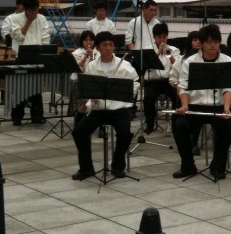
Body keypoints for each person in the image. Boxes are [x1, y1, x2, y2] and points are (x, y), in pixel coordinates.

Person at [71, 31, 140, 181]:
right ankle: (86, 168)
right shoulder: (92, 66)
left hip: (119, 109)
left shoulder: (125, 66)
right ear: (98, 47)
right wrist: (92, 96)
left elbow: (135, 83)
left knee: (124, 133)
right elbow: (86, 86)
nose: (108, 48)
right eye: (104, 45)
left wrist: (125, 97)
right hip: (98, 109)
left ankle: (117, 165)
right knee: (79, 132)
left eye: (111, 45)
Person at [172, 24, 231, 179]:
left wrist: (227, 109)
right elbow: (184, 87)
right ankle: (188, 166)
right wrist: (185, 106)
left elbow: (229, 88)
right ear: (201, 43)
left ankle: (218, 166)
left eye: (216, 41)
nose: (213, 45)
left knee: (227, 129)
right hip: (195, 106)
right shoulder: (190, 62)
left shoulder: (227, 61)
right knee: (179, 126)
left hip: (219, 106)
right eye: (209, 42)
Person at [10, 0, 52, 125]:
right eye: (32, 10)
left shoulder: (42, 18)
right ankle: (17, 117)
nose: (34, 13)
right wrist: (28, 21)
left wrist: (44, 50)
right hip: (21, 57)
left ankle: (37, 116)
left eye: (36, 9)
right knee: (19, 89)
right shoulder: (16, 18)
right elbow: (17, 36)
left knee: (36, 89)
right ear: (26, 9)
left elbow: (46, 37)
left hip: (37, 57)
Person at [142, 23, 180, 134]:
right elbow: (147, 65)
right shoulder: (148, 49)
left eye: (164, 37)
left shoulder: (174, 50)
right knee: (148, 98)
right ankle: (150, 124)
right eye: (159, 37)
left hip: (168, 81)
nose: (162, 40)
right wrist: (158, 52)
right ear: (154, 37)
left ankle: (175, 124)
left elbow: (178, 67)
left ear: (167, 36)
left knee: (178, 96)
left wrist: (169, 55)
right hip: (152, 81)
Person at [70, 30, 96, 126]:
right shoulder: (76, 53)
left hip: (94, 81)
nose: (88, 42)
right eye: (86, 40)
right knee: (83, 105)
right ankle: (79, 122)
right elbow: (77, 68)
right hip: (79, 81)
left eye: (91, 40)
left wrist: (92, 57)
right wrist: (85, 57)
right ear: (82, 41)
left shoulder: (98, 52)